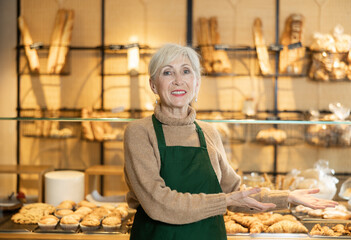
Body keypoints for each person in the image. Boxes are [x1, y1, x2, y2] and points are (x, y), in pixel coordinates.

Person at [123, 43, 337, 240]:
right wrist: (224, 202)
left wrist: (287, 197)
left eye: (186, 71)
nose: (178, 80)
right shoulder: (139, 133)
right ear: (153, 84)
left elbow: (235, 193)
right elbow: (158, 203)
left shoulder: (208, 133)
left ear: (197, 83)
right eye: (167, 72)